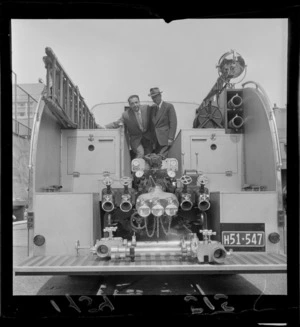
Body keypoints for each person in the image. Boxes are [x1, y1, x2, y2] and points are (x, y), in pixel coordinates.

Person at [148, 87, 177, 158]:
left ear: (160, 96)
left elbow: (173, 123)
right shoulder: (153, 108)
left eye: (155, 96)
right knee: (156, 160)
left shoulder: (168, 106)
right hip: (155, 141)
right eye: (152, 97)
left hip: (165, 139)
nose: (154, 99)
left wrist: (171, 138)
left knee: (161, 159)